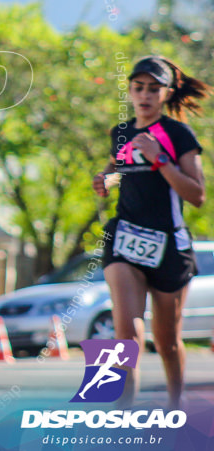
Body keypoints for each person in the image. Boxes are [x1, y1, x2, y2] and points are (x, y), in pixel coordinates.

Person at [92, 56, 208, 409]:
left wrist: (161, 160)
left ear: (166, 93)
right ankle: (122, 410)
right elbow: (119, 169)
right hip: (125, 237)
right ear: (129, 91)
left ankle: (176, 406)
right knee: (124, 330)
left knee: (167, 340)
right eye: (138, 88)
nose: (144, 95)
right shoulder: (122, 132)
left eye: (153, 89)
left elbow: (197, 195)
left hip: (169, 244)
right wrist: (105, 180)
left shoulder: (178, 134)